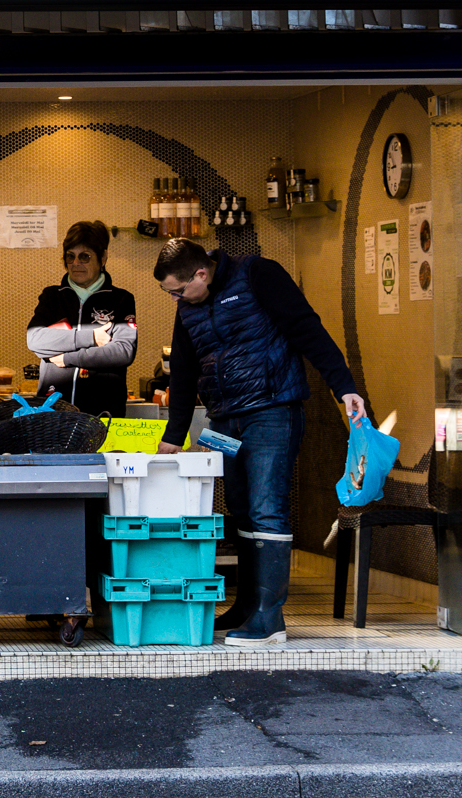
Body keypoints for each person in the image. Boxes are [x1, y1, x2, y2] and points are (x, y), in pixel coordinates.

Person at [152, 237, 366, 648]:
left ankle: (270, 619)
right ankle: (247, 606)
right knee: (238, 506)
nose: (177, 298)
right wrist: (173, 438)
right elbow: (182, 369)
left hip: (271, 411)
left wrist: (343, 386)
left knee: (267, 506)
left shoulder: (257, 274)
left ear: (201, 272)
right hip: (223, 421)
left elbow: (306, 327)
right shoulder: (189, 306)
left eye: (179, 290)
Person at [25, 220, 138, 418]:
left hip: (104, 411)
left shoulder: (121, 299)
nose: (76, 263)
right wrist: (92, 337)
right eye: (70, 256)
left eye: (85, 256)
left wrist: (68, 358)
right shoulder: (52, 296)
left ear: (102, 257)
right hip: (52, 411)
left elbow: (123, 351)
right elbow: (35, 340)